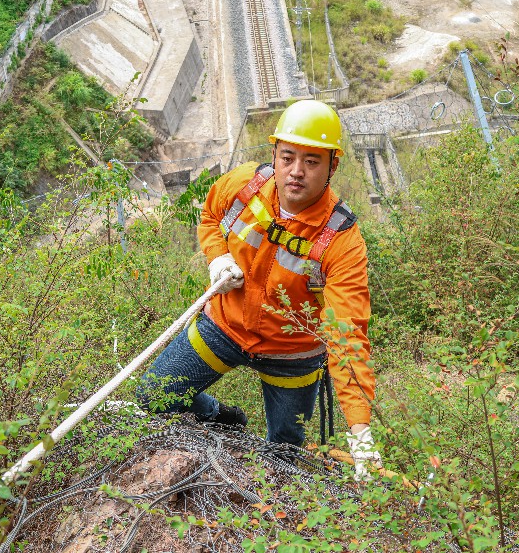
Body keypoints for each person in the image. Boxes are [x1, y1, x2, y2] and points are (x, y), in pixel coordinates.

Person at [136, 99, 381, 479]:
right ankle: (220, 418)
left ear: (333, 165)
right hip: (226, 326)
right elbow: (209, 215)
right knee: (154, 396)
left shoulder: (341, 241)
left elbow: (347, 336)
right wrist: (217, 256)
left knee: (282, 455)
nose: (296, 172)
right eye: (287, 157)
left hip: (292, 353)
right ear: (274, 154)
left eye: (312, 161)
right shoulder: (245, 186)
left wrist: (360, 431)